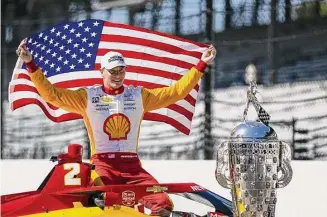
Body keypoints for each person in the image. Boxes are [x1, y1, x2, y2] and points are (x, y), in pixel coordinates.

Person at [16, 39, 216, 216]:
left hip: (133, 167)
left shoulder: (139, 95)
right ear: (102, 72)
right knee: (104, 203)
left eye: (121, 70)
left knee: (162, 203)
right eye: (112, 71)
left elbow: (175, 93)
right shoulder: (88, 97)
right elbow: (53, 95)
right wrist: (30, 64)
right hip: (103, 165)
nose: (117, 75)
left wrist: (201, 65)